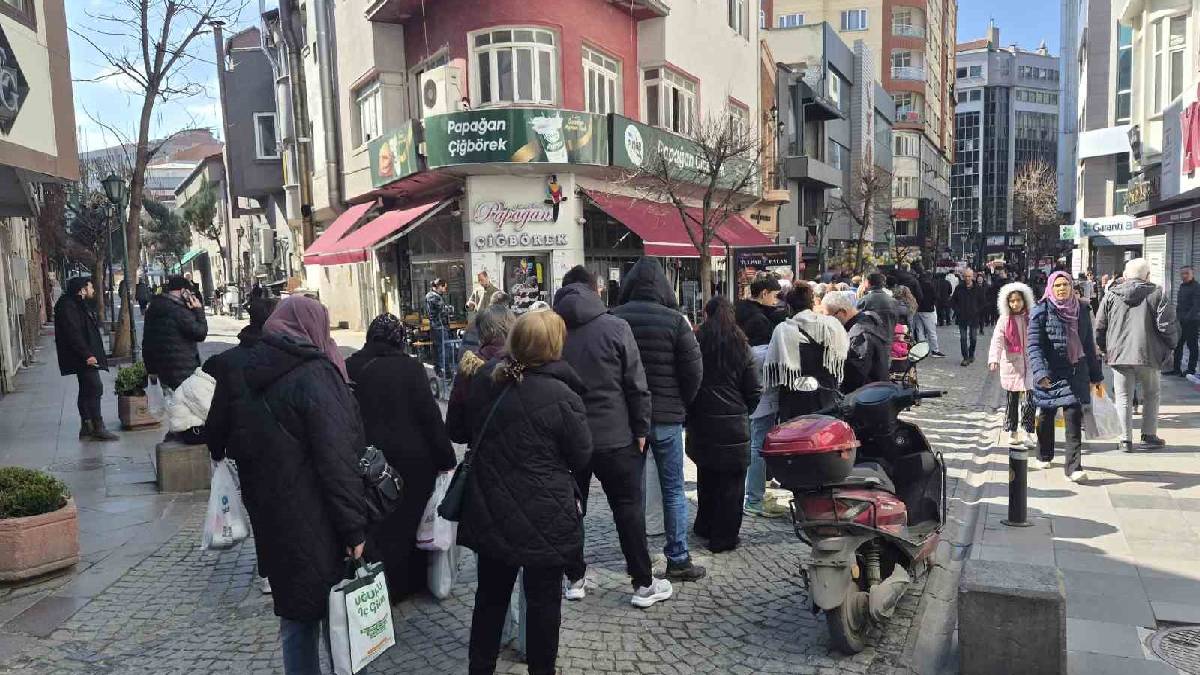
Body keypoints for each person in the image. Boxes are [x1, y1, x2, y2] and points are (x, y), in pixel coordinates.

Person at [233, 295, 371, 675]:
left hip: (278, 521)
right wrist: (353, 527)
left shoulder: (253, 374)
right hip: (319, 520)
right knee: (336, 615)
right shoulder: (317, 374)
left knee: (297, 619)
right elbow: (337, 459)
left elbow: (243, 452)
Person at [457, 310, 592, 675]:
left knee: (489, 598)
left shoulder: (488, 380)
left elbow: (461, 426)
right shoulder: (563, 394)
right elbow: (581, 454)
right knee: (544, 603)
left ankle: (480, 668)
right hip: (544, 513)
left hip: (492, 507)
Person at [553, 266, 669, 607]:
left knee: (572, 509)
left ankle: (574, 578)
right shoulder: (616, 327)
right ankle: (643, 583)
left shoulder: (552, 331)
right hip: (616, 436)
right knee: (628, 509)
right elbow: (637, 384)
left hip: (569, 438)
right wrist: (641, 428)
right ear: (596, 290)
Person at [346, 314, 458, 600]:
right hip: (413, 461)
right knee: (410, 522)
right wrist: (446, 457)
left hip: (368, 462)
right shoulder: (411, 367)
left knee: (377, 524)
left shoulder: (350, 367)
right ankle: (409, 582)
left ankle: (380, 583)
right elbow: (429, 416)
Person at [611, 258, 706, 581]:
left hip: (627, 420)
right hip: (666, 418)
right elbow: (694, 371)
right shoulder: (675, 321)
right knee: (673, 489)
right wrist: (682, 404)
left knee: (631, 492)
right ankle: (678, 557)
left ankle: (637, 560)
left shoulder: (615, 318)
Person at [203, 296, 278, 594]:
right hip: (283, 447)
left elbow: (218, 413)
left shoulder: (228, 362)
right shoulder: (282, 356)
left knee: (260, 512)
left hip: (247, 452)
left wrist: (216, 450)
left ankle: (267, 571)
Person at [687, 297, 761, 553]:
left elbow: (688, 381)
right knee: (732, 485)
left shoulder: (696, 342)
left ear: (706, 315)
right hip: (734, 425)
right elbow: (753, 389)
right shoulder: (742, 346)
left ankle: (704, 525)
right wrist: (743, 410)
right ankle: (724, 537)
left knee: (706, 476)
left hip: (702, 422)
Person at [1028, 271, 1105, 482]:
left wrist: (1096, 374)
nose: (1062, 289)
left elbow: (1088, 344)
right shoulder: (1041, 310)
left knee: (1073, 415)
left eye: (1065, 285)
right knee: (1046, 415)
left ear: (1072, 287)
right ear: (1051, 288)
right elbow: (1034, 346)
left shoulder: (1081, 309)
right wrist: (1040, 372)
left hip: (1075, 372)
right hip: (1050, 373)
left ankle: (1074, 467)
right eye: (1058, 285)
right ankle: (1044, 453)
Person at [1095, 259, 1177, 452]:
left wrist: (1104, 348)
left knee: (1122, 397)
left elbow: (1100, 326)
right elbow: (1166, 326)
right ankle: (1149, 436)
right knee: (1151, 394)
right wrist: (1171, 346)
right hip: (1149, 354)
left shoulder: (1111, 295)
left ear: (1125, 275)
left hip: (1119, 354)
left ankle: (1125, 439)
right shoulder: (1157, 294)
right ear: (1147, 275)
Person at [54, 277, 118, 441]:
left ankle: (87, 426)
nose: (93, 290)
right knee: (95, 387)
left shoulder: (76, 303)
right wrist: (87, 354)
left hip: (82, 355)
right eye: (90, 287)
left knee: (86, 389)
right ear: (82, 289)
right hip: (82, 357)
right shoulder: (68, 305)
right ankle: (98, 426)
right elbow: (73, 332)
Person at [987, 283, 1037, 447]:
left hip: (1030, 364)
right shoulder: (1004, 319)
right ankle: (1013, 431)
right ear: (1007, 303)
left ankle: (1029, 432)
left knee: (1030, 401)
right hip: (1012, 365)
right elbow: (997, 340)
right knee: (1012, 401)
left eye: (1019, 300)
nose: (1016, 304)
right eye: (1012, 301)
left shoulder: (1031, 317)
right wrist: (993, 358)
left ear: (1025, 300)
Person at [142, 275, 208, 390]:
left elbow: (147, 342)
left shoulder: (153, 308)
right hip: (184, 371)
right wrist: (198, 310)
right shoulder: (179, 311)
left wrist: (151, 370)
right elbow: (200, 333)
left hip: (163, 371)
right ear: (183, 291)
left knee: (172, 404)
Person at [824, 291, 889, 393]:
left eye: (829, 316)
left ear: (842, 312)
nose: (828, 321)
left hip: (865, 397)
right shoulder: (870, 320)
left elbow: (855, 376)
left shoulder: (859, 335)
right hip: (877, 392)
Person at [735, 273, 785, 345]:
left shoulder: (737, 309)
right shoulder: (761, 321)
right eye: (774, 296)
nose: (775, 301)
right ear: (764, 293)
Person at [1167, 265, 1198, 377]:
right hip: (1179, 321)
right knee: (1178, 345)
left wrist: (1187, 318)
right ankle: (1176, 369)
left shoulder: (1196, 287)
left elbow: (1196, 306)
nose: (1184, 276)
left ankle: (1191, 369)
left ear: (1192, 274)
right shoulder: (1182, 286)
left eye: (1186, 273)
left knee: (1192, 346)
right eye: (1182, 274)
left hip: (1191, 322)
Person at [950, 269, 985, 366]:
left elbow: (983, 302)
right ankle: (965, 358)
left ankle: (971, 354)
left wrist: (977, 310)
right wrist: (958, 310)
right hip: (962, 317)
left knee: (973, 338)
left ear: (973, 276)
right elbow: (953, 301)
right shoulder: (959, 288)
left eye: (969, 276)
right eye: (966, 276)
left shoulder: (978, 288)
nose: (967, 278)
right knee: (963, 338)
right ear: (963, 277)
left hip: (974, 317)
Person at [426, 278, 452, 376]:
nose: (445, 289)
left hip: (437, 326)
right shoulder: (433, 296)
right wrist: (450, 308)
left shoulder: (433, 296)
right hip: (439, 326)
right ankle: (445, 371)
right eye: (444, 287)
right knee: (444, 348)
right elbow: (443, 309)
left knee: (438, 348)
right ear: (439, 286)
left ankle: (439, 370)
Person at [915, 272, 943, 357]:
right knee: (931, 331)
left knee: (920, 331)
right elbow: (935, 297)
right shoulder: (930, 286)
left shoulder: (917, 285)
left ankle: (922, 350)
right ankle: (935, 350)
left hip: (918, 310)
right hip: (928, 310)